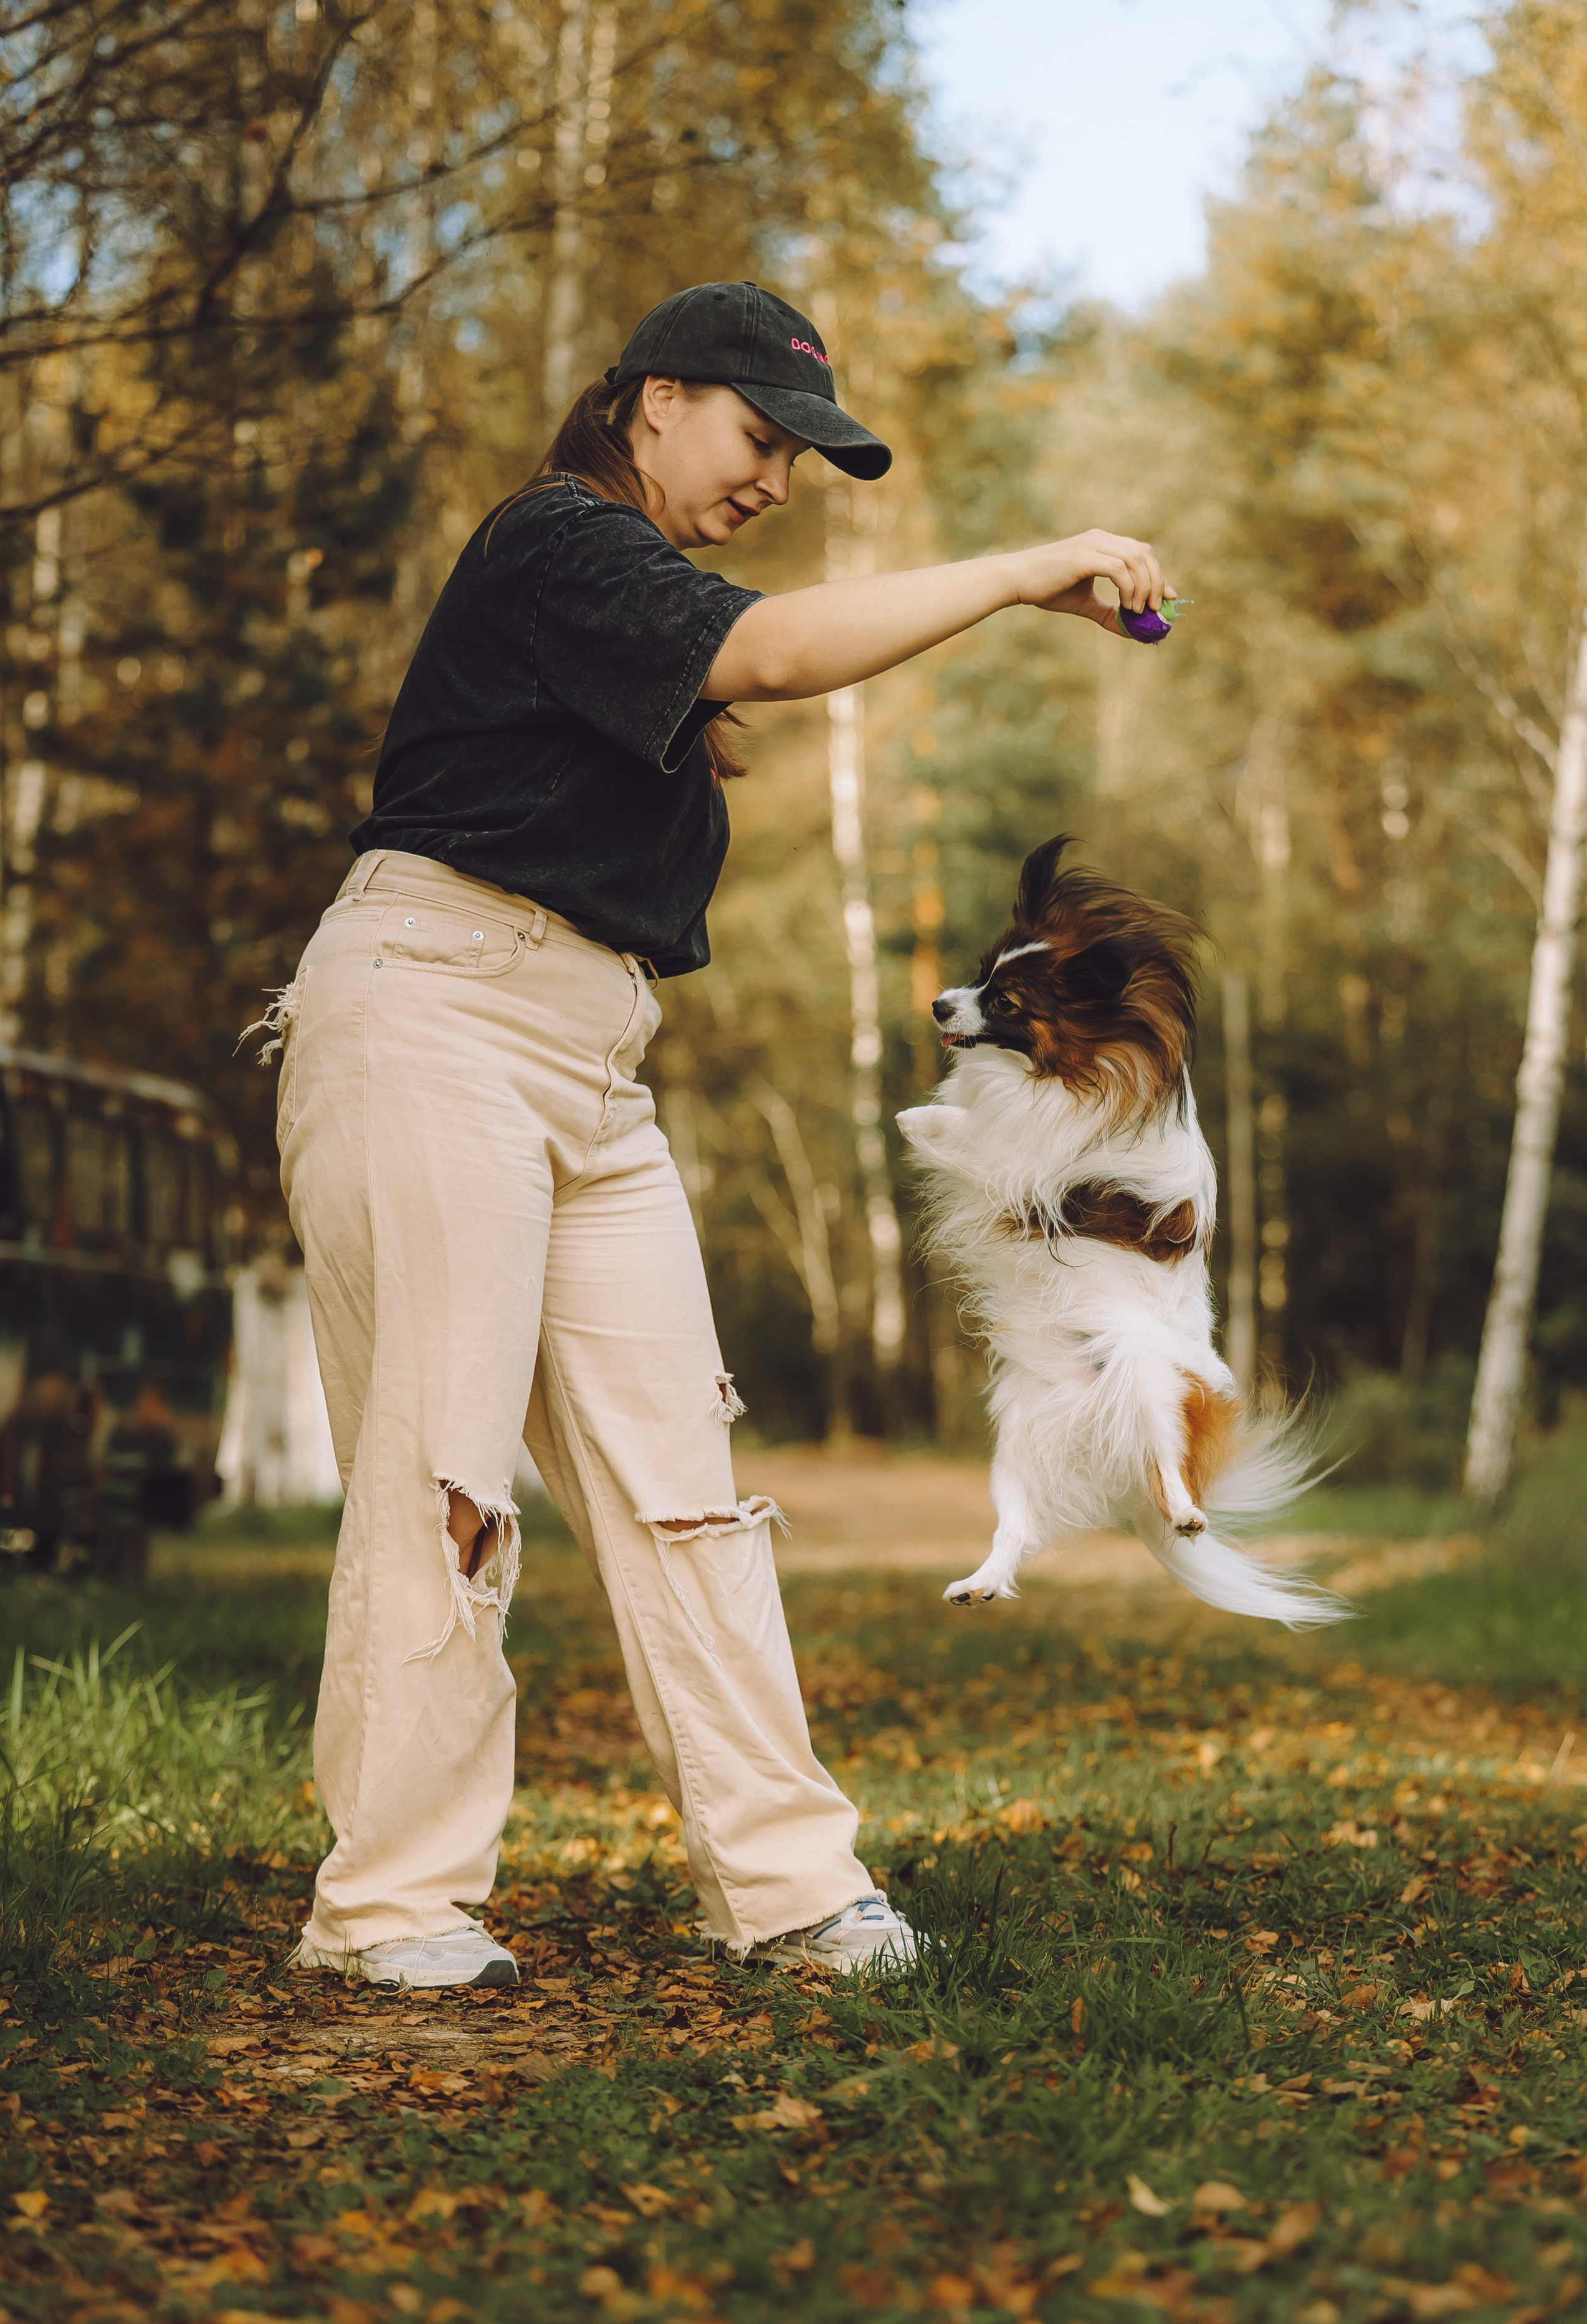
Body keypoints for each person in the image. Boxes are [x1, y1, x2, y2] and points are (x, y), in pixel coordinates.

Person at [267, 280, 1174, 1989]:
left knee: (688, 1484)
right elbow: (773, 645)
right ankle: (389, 1903)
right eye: (761, 438)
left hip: (591, 1052)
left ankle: (785, 1886)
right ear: (653, 400)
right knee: (445, 1472)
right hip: (431, 1006)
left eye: (798, 458)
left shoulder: (628, 601)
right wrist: (1022, 568)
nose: (775, 478)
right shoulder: (555, 542)